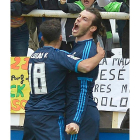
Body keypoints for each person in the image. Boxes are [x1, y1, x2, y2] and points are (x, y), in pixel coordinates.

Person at [22, 19, 105, 140]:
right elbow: (85, 67)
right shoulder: (59, 55)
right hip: (50, 115)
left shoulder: (33, 56)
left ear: (42, 38)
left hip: (30, 114)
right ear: (60, 38)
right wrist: (100, 55)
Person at [64, 8, 106, 140]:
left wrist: (76, 120)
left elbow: (83, 89)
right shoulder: (77, 47)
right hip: (77, 111)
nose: (78, 19)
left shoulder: (87, 49)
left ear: (93, 28)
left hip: (81, 114)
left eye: (84, 19)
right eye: (79, 16)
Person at [58, 0, 129, 57]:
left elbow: (117, 6)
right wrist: (63, 4)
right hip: (84, 43)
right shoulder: (79, 4)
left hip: (104, 40)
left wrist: (128, 7)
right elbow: (70, 7)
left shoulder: (102, 4)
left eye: (84, 18)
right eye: (80, 16)